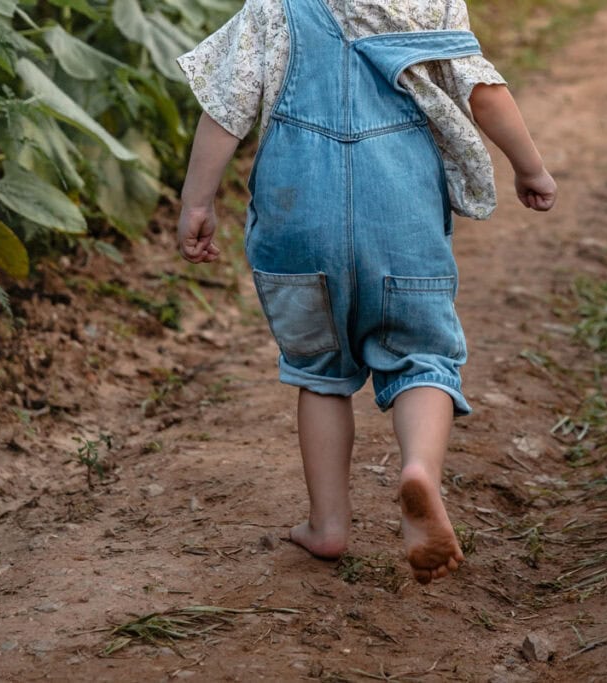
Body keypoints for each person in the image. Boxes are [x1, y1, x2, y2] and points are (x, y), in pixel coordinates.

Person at [175, 0, 556, 584]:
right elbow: (482, 89)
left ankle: (327, 525)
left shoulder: (274, 9)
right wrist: (529, 167)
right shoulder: (432, 4)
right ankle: (420, 472)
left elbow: (225, 108)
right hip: (400, 212)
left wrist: (197, 203)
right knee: (422, 356)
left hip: (298, 212)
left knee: (320, 371)